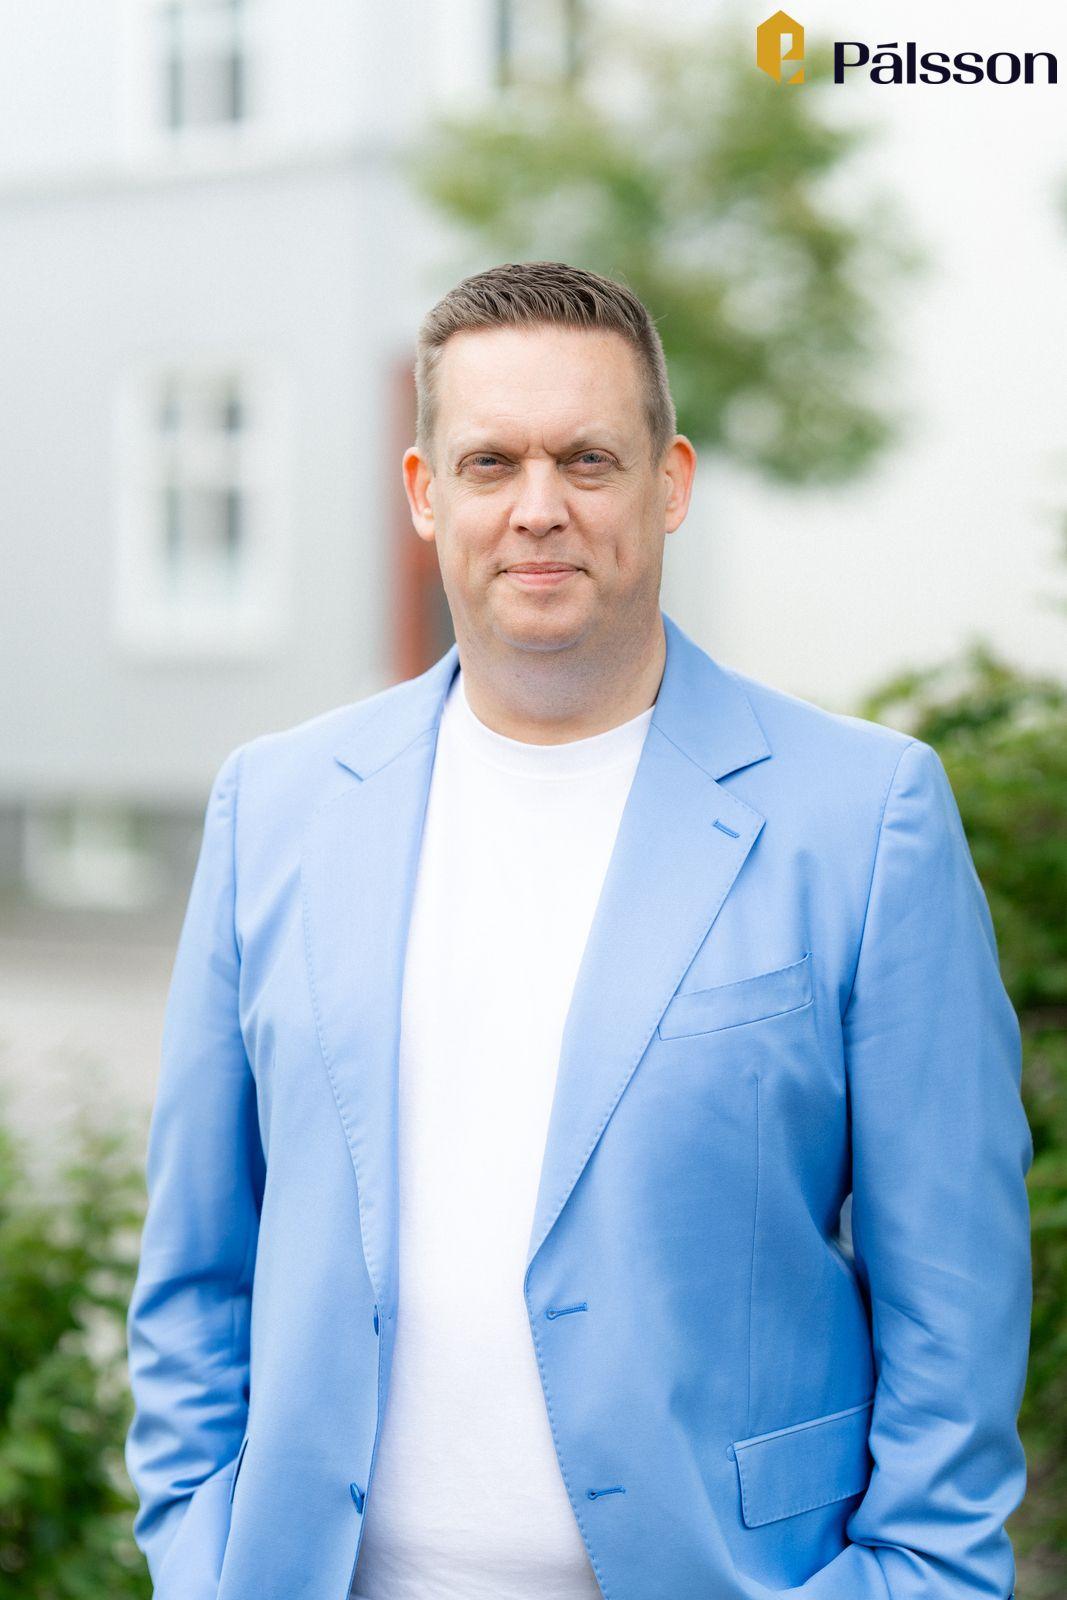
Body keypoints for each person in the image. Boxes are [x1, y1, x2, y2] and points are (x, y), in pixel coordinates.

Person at [125, 261, 1031, 1600]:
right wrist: (200, 1558)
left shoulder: (863, 815)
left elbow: (954, 1301)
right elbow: (196, 1270)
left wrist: (917, 1580)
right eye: (491, 462)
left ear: (669, 482)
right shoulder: (276, 808)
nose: (538, 507)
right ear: (426, 492)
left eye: (587, 460)